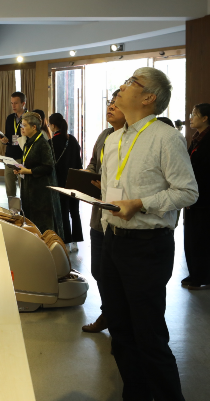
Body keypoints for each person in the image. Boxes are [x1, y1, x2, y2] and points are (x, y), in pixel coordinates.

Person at [101, 67, 198, 401]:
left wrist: (140, 204)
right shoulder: (113, 139)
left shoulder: (165, 137)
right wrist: (107, 229)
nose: (122, 85)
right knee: (120, 331)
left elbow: (187, 192)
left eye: (132, 82)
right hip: (113, 242)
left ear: (148, 98)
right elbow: (109, 191)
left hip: (147, 247)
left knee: (149, 335)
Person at [81, 89, 125, 333]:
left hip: (120, 214)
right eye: (109, 102)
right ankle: (108, 313)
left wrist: (106, 185)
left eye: (116, 103)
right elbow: (93, 164)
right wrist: (86, 176)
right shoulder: (105, 135)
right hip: (99, 214)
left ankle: (115, 318)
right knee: (98, 270)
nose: (110, 107)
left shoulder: (132, 139)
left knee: (115, 274)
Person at [182, 103, 210, 290]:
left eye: (194, 114)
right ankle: (194, 273)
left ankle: (203, 277)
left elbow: (208, 173)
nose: (191, 118)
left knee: (202, 239)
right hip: (193, 196)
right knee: (191, 238)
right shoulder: (197, 139)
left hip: (204, 199)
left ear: (205, 118)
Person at [13, 112, 64, 236]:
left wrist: (28, 171)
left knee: (41, 225)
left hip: (41, 192)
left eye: (24, 125)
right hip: (30, 188)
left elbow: (48, 167)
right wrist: (20, 168)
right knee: (31, 220)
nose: (22, 128)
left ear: (34, 127)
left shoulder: (42, 143)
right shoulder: (29, 142)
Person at [48, 113, 83, 251]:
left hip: (60, 182)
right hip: (75, 181)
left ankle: (66, 242)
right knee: (75, 211)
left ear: (53, 125)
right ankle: (76, 241)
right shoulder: (72, 140)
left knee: (63, 212)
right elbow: (79, 162)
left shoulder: (51, 143)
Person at [0, 92, 26, 198]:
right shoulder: (10, 118)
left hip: (22, 157)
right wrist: (4, 140)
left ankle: (24, 208)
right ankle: (12, 208)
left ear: (23, 103)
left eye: (16, 103)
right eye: (12, 103)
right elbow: (8, 135)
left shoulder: (29, 117)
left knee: (23, 188)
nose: (13, 106)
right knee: (10, 190)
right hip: (9, 157)